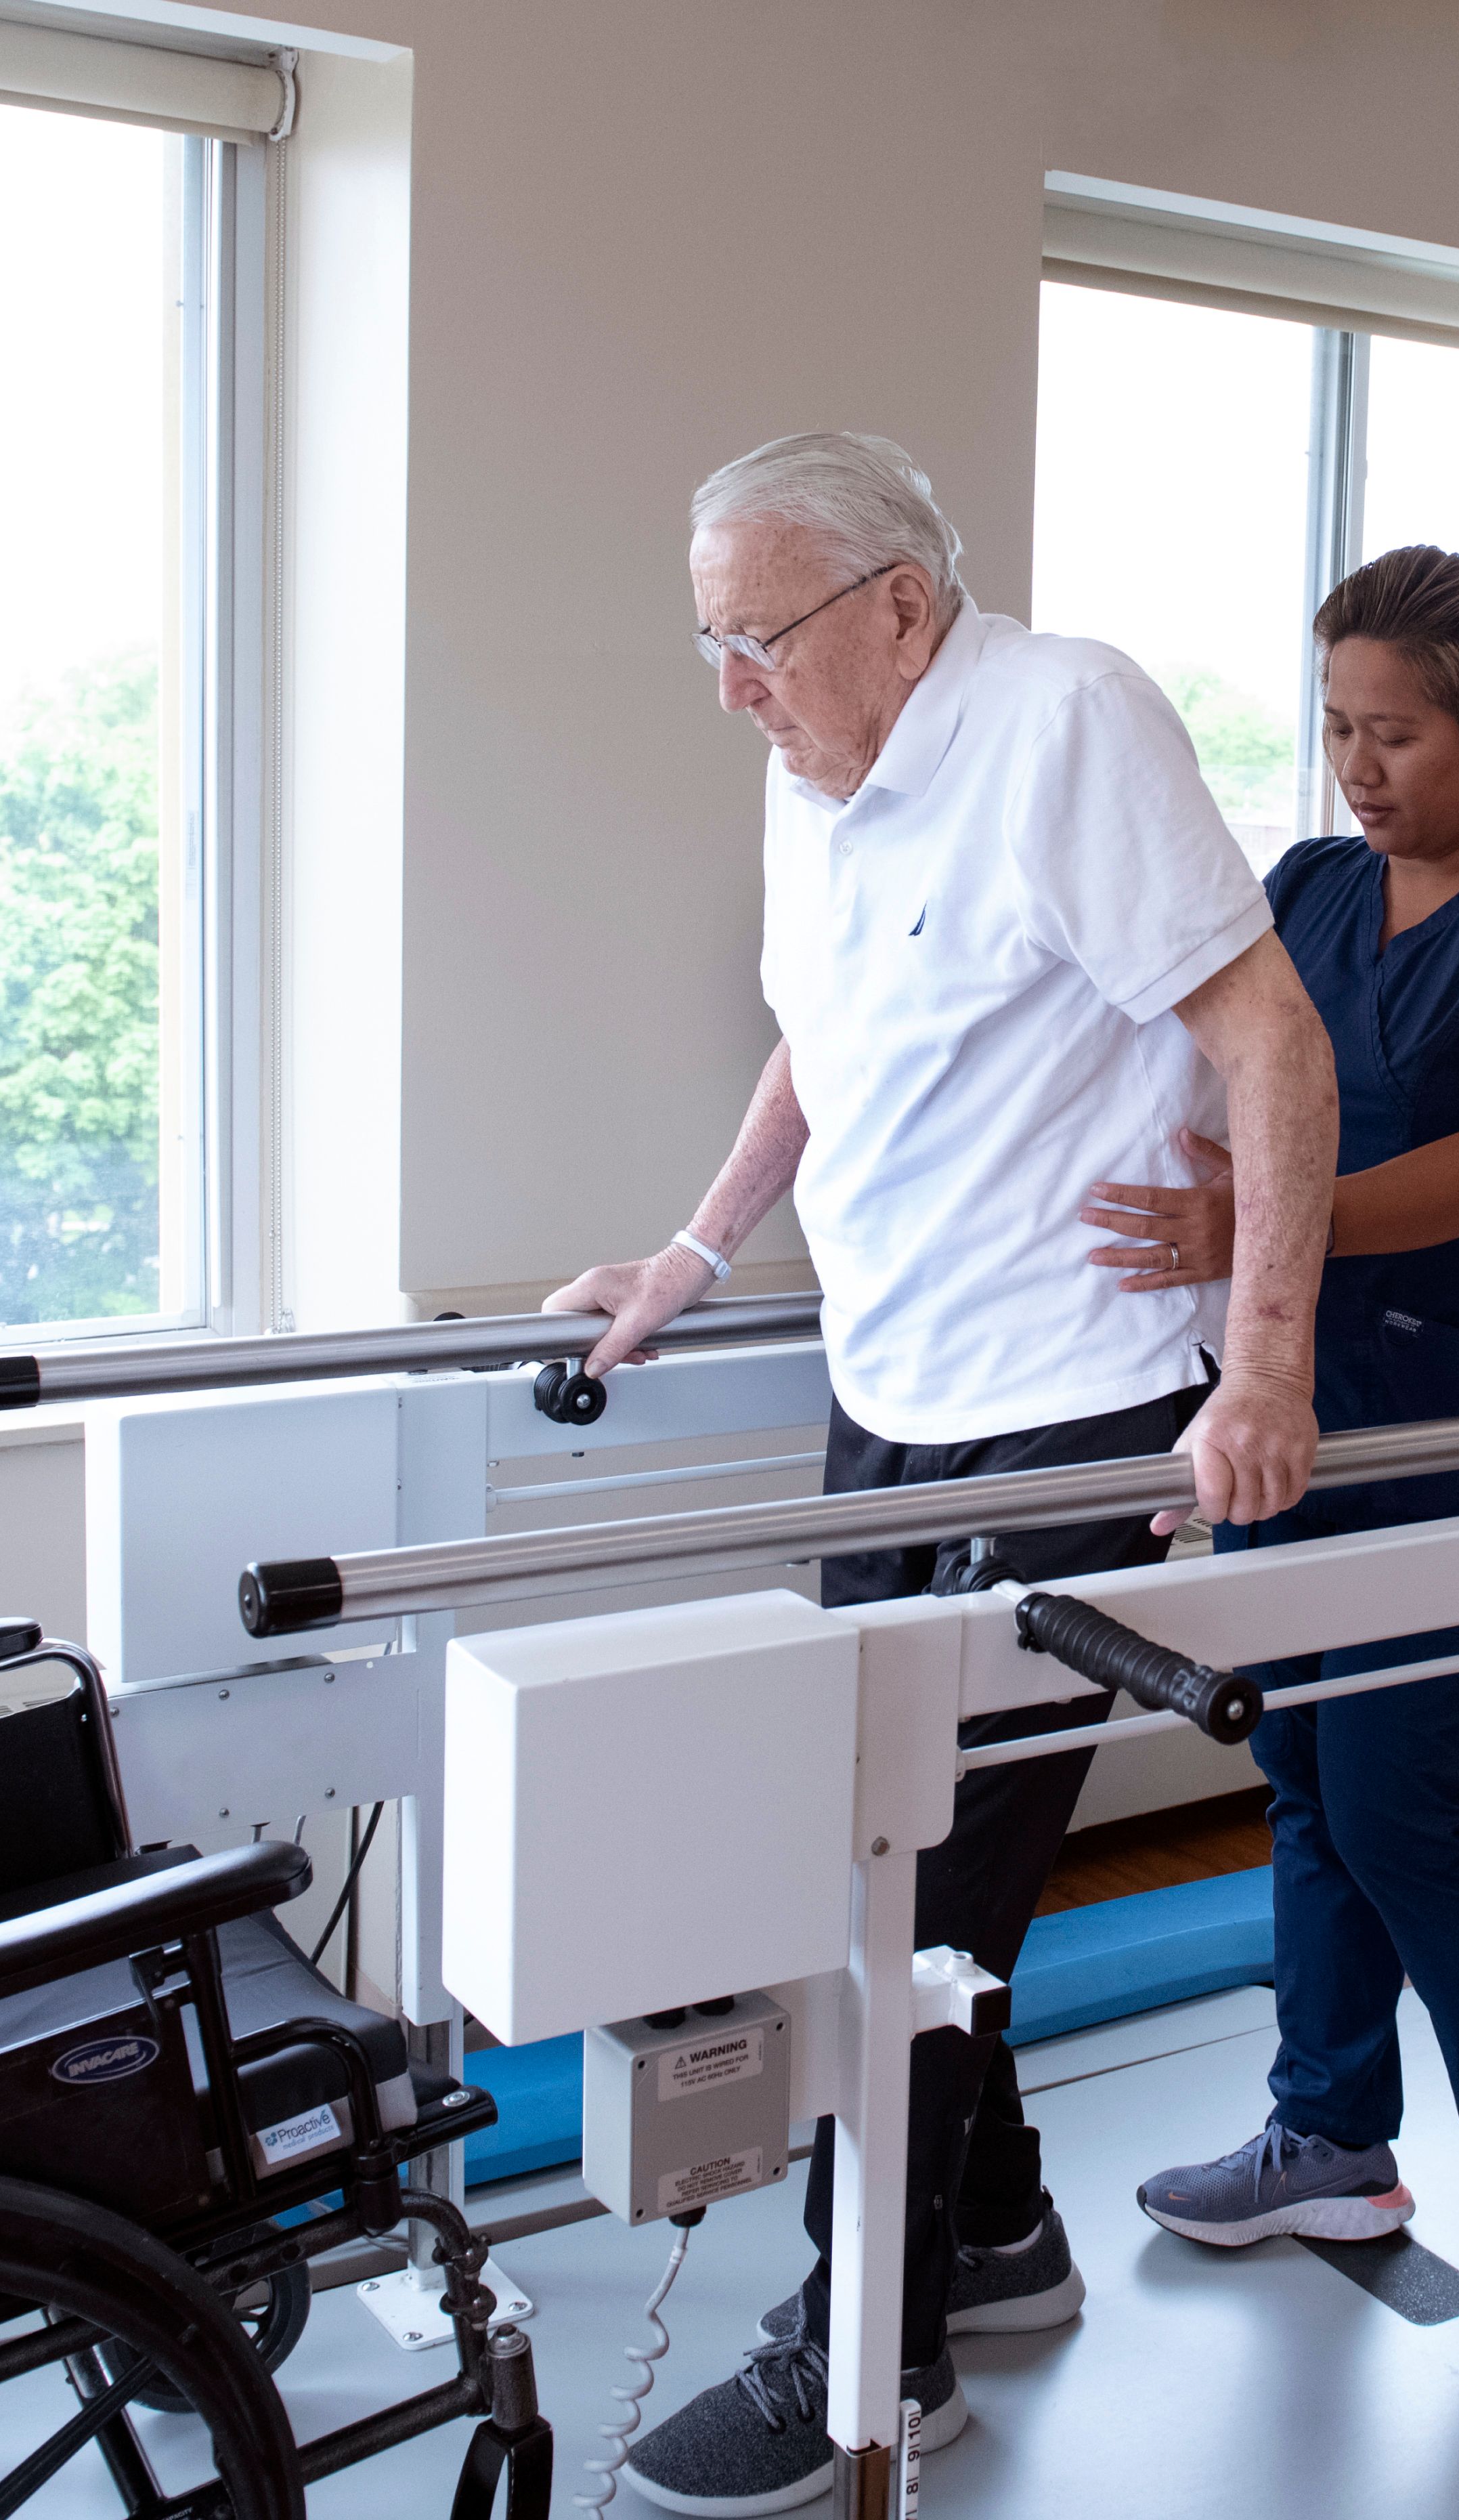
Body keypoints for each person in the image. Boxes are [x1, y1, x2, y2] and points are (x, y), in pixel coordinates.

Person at [551, 432, 1338, 2515]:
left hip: (1073, 1402)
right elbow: (825, 1031)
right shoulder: (819, 757)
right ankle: (991, 2225)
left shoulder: (1063, 717)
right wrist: (700, 1246)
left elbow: (1269, 1034)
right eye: (710, 643)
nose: (732, 686)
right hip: (886, 1390)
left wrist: (1261, 1359)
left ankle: (868, 2354)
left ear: (902, 602)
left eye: (762, 637)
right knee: (889, 1857)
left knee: (910, 1893)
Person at [1079, 544, 1459, 2343]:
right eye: (1334, 724)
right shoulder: (1312, 887)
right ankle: (1331, 2133)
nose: (1354, 763)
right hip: (1296, 1416)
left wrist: (1269, 1224)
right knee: (1312, 1781)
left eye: (1393, 731)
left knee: (1402, 1796)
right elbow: (1198, 1061)